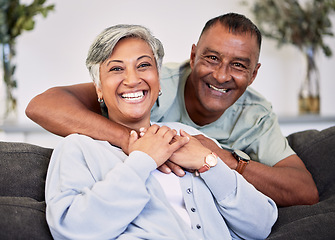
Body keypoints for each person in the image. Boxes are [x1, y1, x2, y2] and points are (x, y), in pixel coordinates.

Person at [27, 13, 319, 207]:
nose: (221, 75)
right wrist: (136, 142)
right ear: (193, 56)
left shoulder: (256, 114)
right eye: (212, 58)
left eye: (239, 65)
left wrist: (219, 159)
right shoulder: (147, 82)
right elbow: (42, 105)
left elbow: (304, 191)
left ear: (254, 74)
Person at [45, 24, 277, 240]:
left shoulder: (186, 136)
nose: (133, 79)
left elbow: (262, 224)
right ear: (98, 87)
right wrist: (142, 161)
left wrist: (209, 163)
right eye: (116, 69)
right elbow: (70, 229)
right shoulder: (77, 148)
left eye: (144, 65)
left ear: (158, 78)